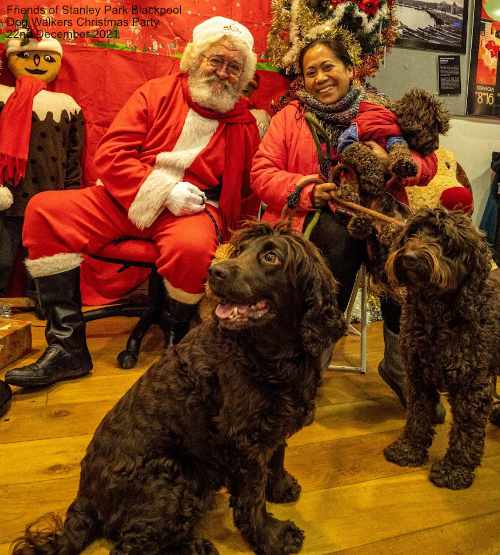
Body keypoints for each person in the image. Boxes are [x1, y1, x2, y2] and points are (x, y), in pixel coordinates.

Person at [5, 16, 260, 389]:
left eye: (233, 67)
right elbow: (111, 154)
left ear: (242, 75)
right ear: (195, 59)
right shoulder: (155, 92)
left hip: (191, 207)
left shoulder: (244, 123)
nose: (223, 72)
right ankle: (67, 347)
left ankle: (178, 340)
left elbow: (248, 191)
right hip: (125, 195)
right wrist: (163, 190)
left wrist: (220, 218)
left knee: (191, 248)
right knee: (45, 210)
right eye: (215, 60)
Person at [251, 30, 445, 419]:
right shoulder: (290, 117)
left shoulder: (383, 111)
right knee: (336, 242)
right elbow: (261, 173)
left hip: (379, 213)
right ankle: (307, 373)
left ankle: (399, 365)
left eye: (328, 67)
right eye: (310, 72)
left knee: (404, 258)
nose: (320, 78)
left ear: (349, 69)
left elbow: (428, 163)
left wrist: (394, 164)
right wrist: (306, 188)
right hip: (313, 217)